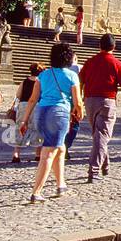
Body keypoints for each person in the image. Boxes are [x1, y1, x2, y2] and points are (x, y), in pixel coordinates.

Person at [19, 42, 84, 202]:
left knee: (60, 148)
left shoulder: (43, 75)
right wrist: (79, 112)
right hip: (59, 114)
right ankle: (36, 192)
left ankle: (61, 184)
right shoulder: (71, 76)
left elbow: (33, 99)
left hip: (41, 112)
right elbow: (78, 101)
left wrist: (24, 120)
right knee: (48, 153)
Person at [78, 33, 121, 180]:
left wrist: (80, 98)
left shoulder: (89, 62)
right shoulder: (117, 64)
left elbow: (80, 81)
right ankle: (94, 170)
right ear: (114, 47)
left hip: (89, 101)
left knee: (99, 135)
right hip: (107, 102)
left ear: (99, 46)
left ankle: (105, 165)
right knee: (102, 136)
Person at [12, 62, 44, 163]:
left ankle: (16, 154)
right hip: (37, 106)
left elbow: (18, 95)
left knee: (20, 128)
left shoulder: (24, 81)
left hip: (23, 105)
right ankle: (37, 154)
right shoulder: (41, 82)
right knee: (37, 129)